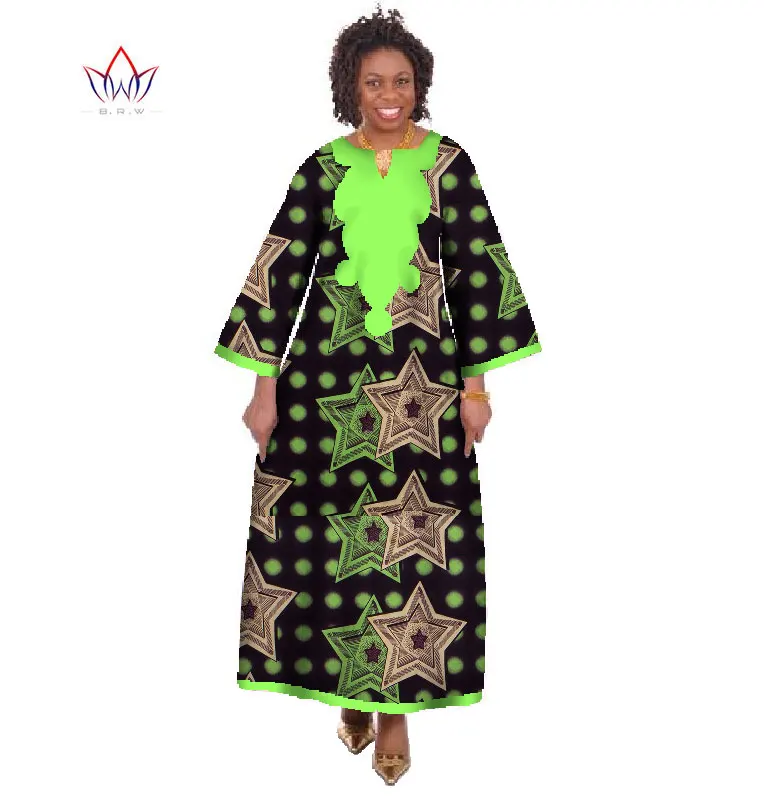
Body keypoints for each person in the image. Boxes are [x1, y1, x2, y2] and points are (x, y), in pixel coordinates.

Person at [213, 5, 542, 786]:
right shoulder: (322, 169)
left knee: (410, 555)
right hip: (324, 390)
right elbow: (277, 275)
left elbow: (478, 275)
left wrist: (476, 387)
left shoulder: (447, 164)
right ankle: (350, 688)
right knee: (332, 547)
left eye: (401, 82)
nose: (388, 95)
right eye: (373, 83)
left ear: (418, 86)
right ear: (349, 88)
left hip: (424, 393)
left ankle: (393, 710)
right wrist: (263, 390)